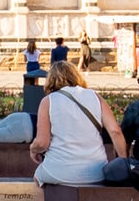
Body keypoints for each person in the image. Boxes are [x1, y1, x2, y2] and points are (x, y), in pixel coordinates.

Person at [30, 59, 123, 188]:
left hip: (60, 171)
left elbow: (42, 142)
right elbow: (115, 131)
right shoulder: (95, 96)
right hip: (97, 171)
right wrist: (123, 161)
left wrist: (33, 149)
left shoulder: (48, 101)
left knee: (38, 178)